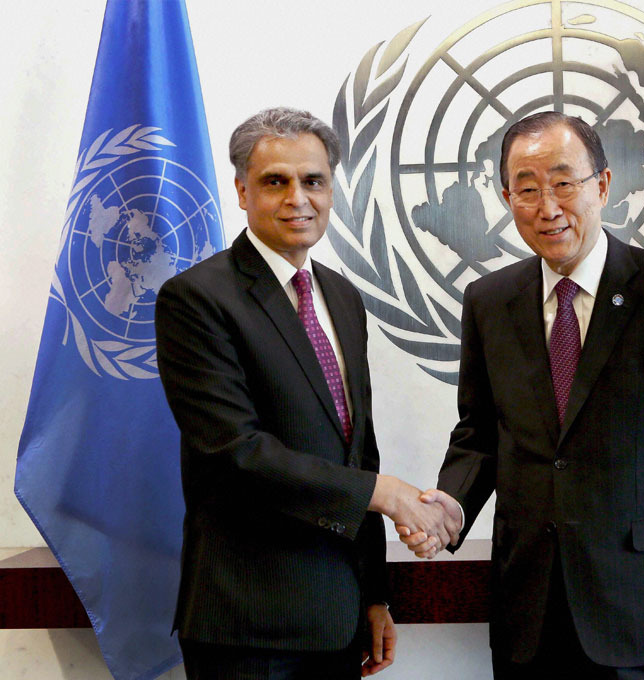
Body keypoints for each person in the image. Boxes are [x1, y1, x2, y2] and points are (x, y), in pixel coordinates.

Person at [400, 111, 644, 679]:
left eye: (563, 183)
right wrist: (451, 506)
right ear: (508, 198)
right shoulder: (489, 300)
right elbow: (480, 434)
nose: (547, 207)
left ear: (602, 186)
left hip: (643, 602)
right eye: (527, 190)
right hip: (528, 605)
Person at [155, 107, 458, 680]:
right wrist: (388, 494)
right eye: (276, 181)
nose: (299, 197)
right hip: (247, 628)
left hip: (337, 619)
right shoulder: (196, 299)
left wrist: (374, 594)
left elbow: (356, 453)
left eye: (314, 180)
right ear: (242, 191)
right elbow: (236, 454)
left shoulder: (342, 298)